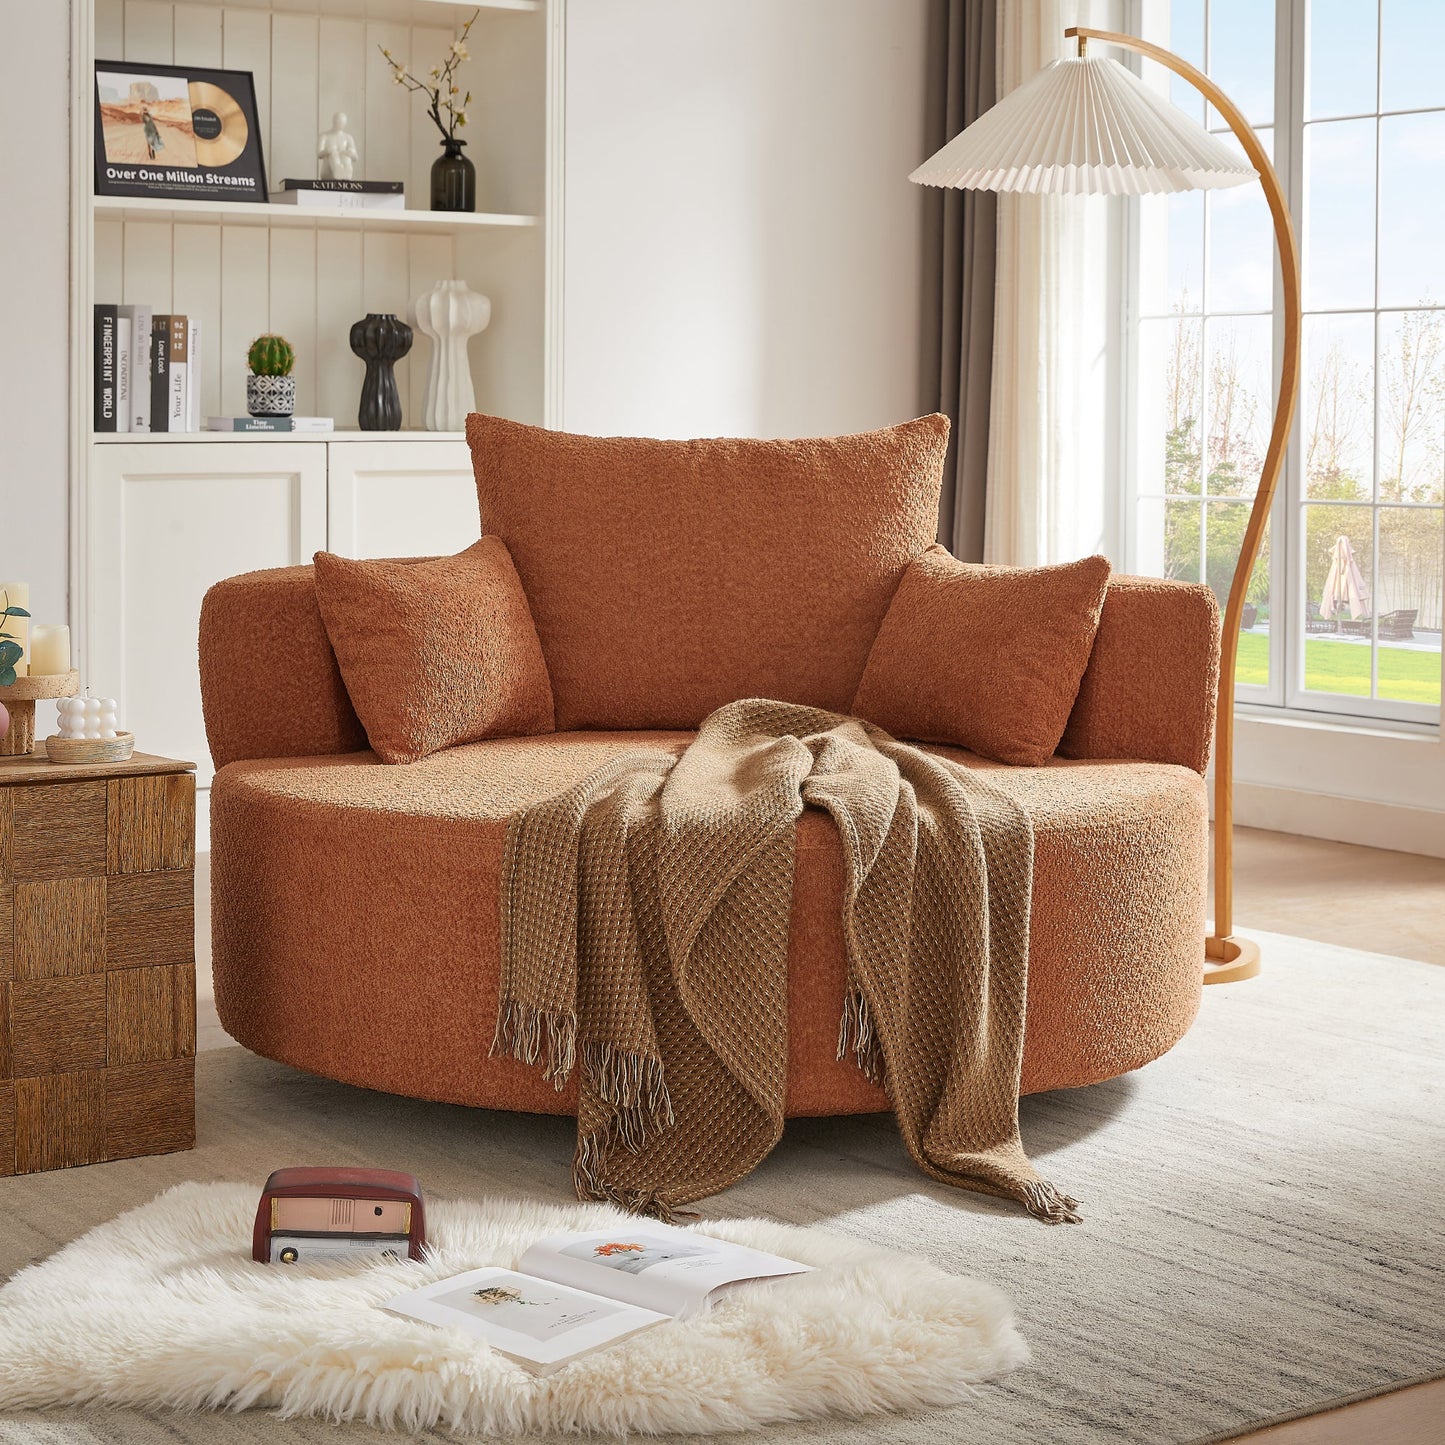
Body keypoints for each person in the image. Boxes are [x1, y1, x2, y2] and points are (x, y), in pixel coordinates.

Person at [318, 113, 359, 181]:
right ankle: (338, 171)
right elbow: (319, 154)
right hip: (328, 173)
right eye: (338, 122)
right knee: (334, 155)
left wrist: (350, 153)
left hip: (345, 169)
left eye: (342, 122)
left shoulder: (348, 137)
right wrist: (328, 151)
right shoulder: (324, 136)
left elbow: (355, 157)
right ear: (334, 121)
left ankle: (345, 173)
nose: (340, 124)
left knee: (346, 157)